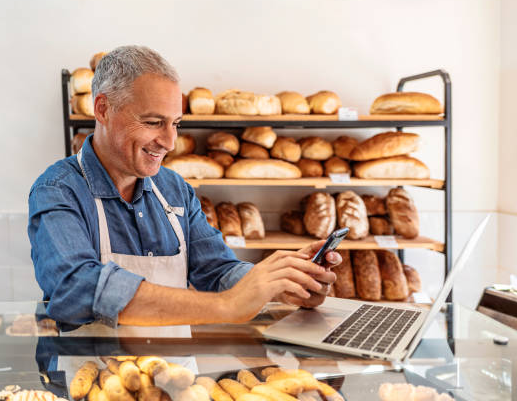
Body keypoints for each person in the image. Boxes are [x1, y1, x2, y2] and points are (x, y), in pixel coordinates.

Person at [28, 45, 341, 333]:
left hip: (172, 382)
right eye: (153, 122)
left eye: (175, 124)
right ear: (102, 109)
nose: (169, 142)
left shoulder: (174, 189)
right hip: (89, 382)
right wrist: (228, 306)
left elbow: (216, 270)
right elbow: (76, 287)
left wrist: (279, 284)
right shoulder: (58, 190)